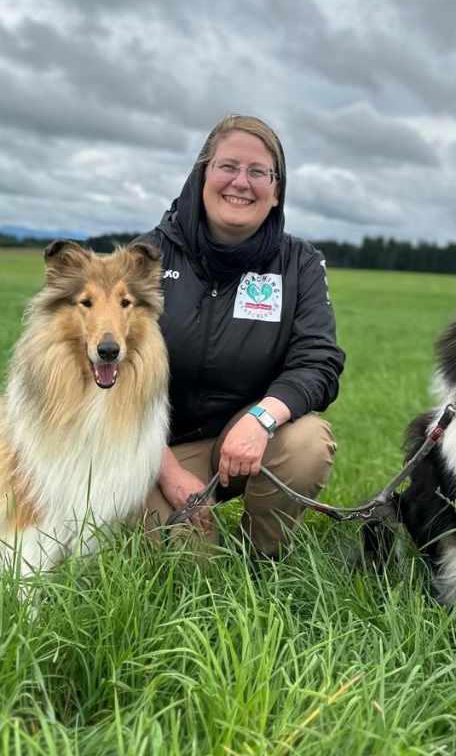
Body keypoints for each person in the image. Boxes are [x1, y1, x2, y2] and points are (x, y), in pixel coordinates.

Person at [135, 114, 345, 558]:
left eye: (258, 172)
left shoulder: (298, 264)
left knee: (306, 441)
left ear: (276, 192)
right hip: (154, 448)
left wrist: (261, 419)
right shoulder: (148, 255)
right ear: (202, 175)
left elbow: (319, 362)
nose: (241, 182)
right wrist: (167, 470)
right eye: (228, 166)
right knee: (186, 566)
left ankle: (264, 561)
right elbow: (110, 377)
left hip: (247, 440)